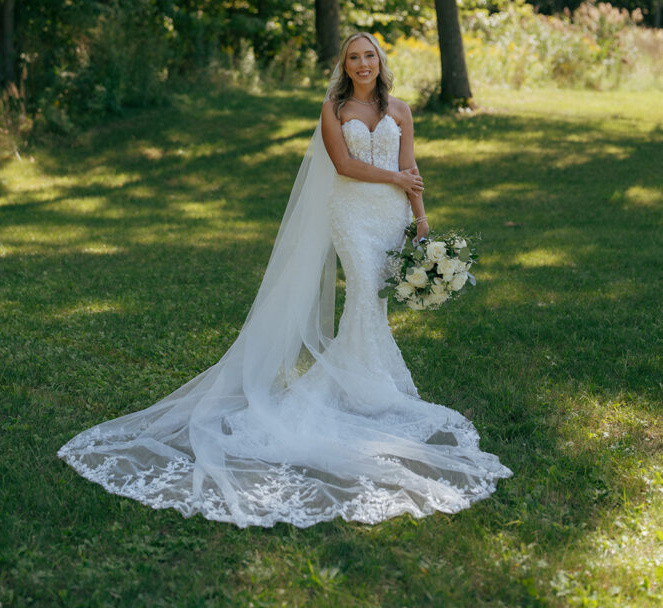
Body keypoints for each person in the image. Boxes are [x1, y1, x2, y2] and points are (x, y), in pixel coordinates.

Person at [58, 32, 511, 526]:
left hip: (392, 214)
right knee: (362, 290)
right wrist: (397, 181)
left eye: (369, 56)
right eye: (353, 58)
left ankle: (366, 384)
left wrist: (420, 218)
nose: (362, 64)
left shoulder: (401, 110)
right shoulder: (334, 110)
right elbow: (343, 164)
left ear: (381, 62)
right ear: (345, 66)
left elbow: (411, 167)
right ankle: (368, 390)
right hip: (352, 213)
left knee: (377, 299)